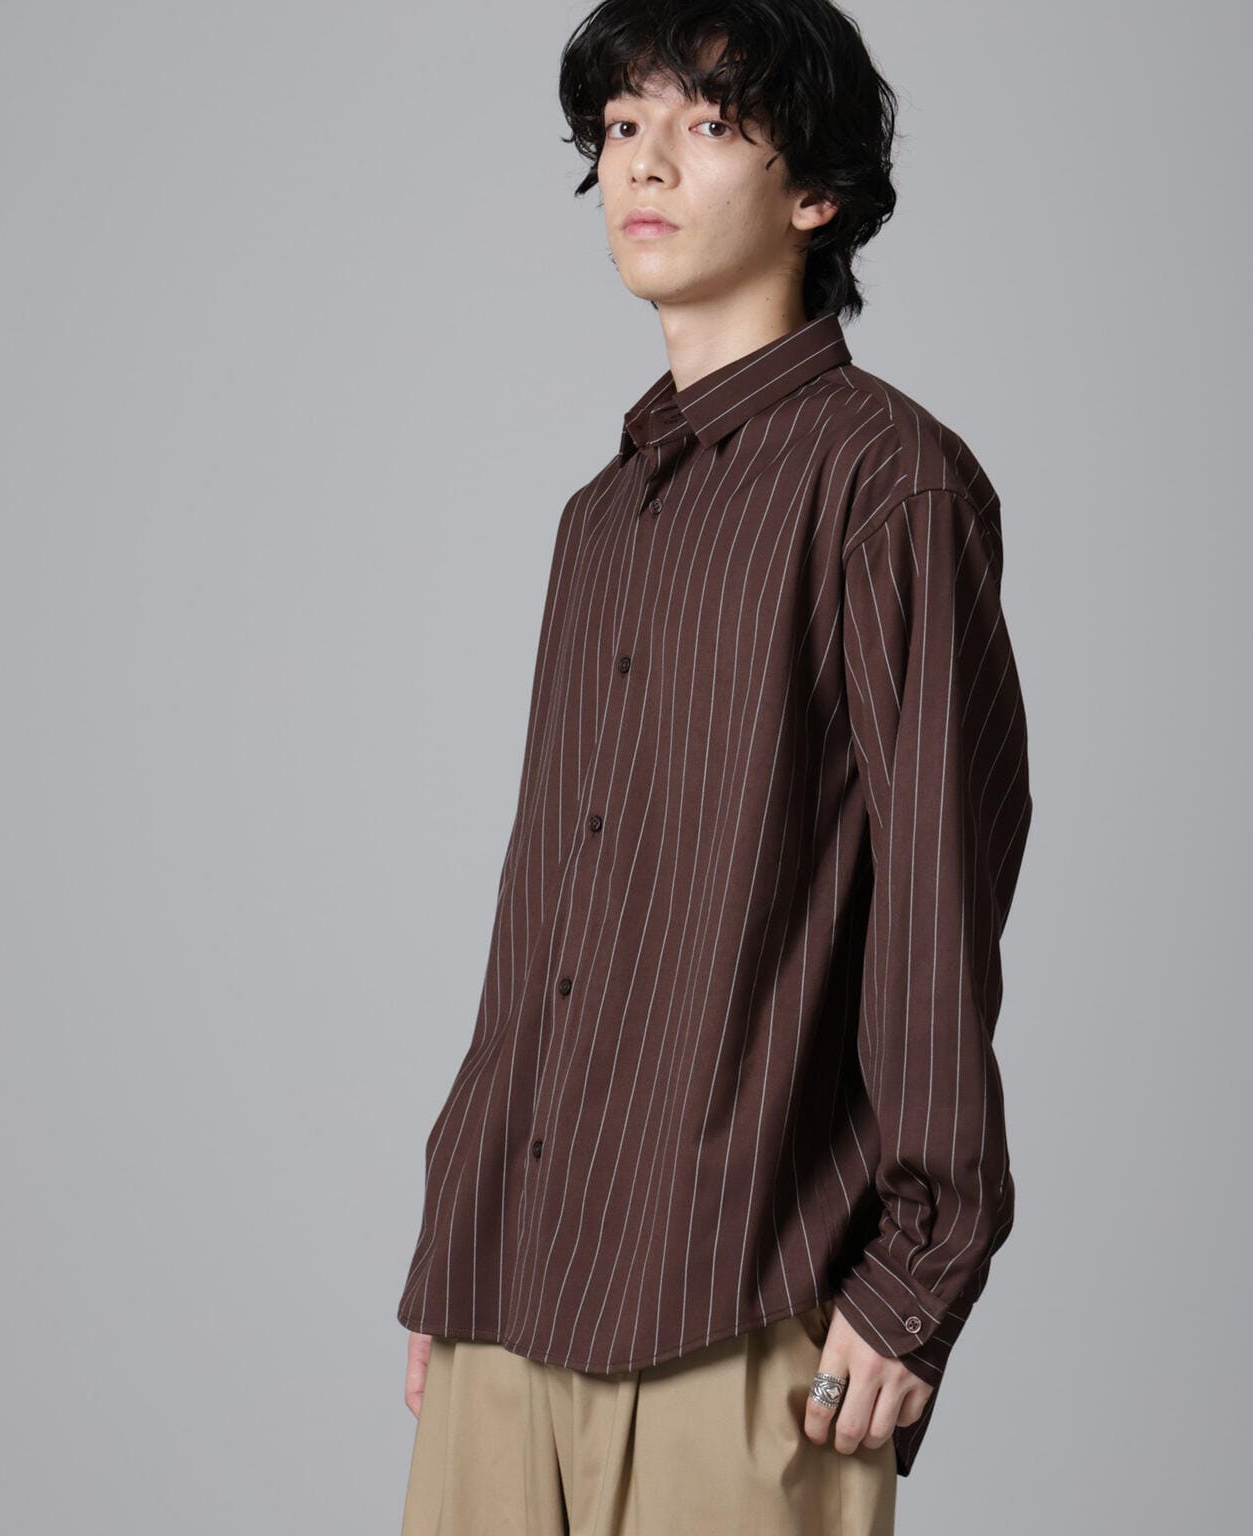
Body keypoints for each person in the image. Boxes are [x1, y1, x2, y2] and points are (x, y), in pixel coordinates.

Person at [396, 2, 1033, 1530]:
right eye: (622, 126)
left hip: (738, 1301)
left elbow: (939, 889)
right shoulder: (601, 519)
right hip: (507, 1296)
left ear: (816, 191)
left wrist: (916, 1274)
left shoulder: (889, 483)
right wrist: (459, 1239)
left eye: (707, 123)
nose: (644, 162)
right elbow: (550, 914)